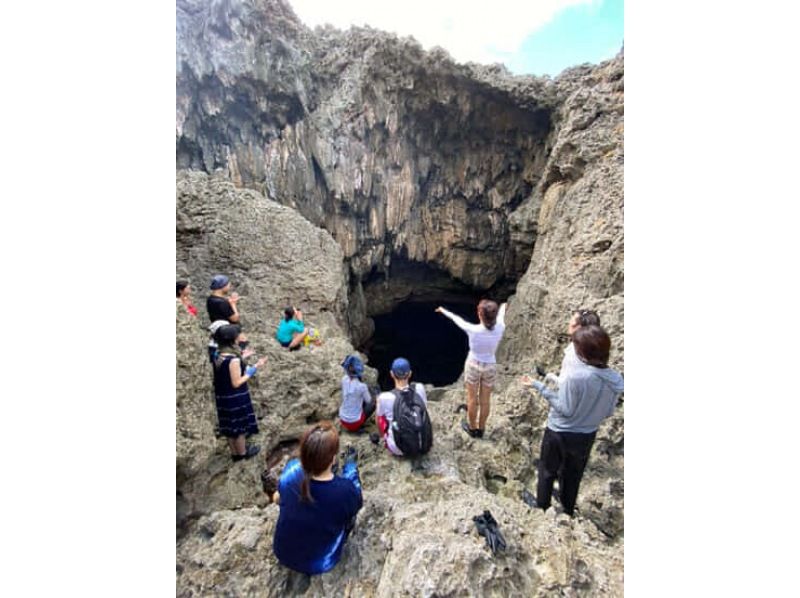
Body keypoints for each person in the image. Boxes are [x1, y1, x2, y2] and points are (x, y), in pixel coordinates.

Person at [520, 325, 623, 517]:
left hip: (559, 432)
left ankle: (541, 506)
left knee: (547, 470)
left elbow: (565, 409)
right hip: (586, 435)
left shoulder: (576, 377)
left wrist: (540, 387)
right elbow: (608, 411)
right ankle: (567, 510)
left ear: (584, 353)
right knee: (573, 474)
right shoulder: (616, 380)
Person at [272, 422, 363, 575]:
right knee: (348, 515)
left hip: (282, 552)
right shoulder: (344, 491)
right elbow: (357, 500)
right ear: (333, 459)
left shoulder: (291, 472)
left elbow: (278, 497)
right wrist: (351, 467)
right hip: (319, 562)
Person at [435, 300, 507, 439]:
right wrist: (503, 306)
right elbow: (501, 315)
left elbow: (457, 319)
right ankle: (481, 429)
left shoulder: (473, 329)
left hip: (473, 364)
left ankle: (472, 428)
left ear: (480, 314)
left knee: (472, 399)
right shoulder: (500, 327)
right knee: (485, 400)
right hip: (490, 365)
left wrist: (443, 311)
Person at [211, 324, 266, 461]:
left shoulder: (218, 355)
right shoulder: (233, 360)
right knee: (239, 427)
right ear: (232, 339)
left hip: (222, 396)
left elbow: (225, 371)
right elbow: (237, 382)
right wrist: (254, 368)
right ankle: (242, 453)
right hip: (235, 398)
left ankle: (234, 453)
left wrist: (243, 356)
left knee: (229, 427)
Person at [374, 358, 431, 457]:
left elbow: (378, 421)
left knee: (380, 416)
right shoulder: (419, 388)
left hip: (398, 449)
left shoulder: (384, 397)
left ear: (391, 374)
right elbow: (424, 408)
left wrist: (383, 436)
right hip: (423, 445)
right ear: (410, 374)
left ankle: (386, 438)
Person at [339, 355, 376, 433]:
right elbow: (369, 401)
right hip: (355, 422)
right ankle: (357, 427)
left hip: (342, 419)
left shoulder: (344, 379)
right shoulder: (362, 386)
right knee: (373, 402)